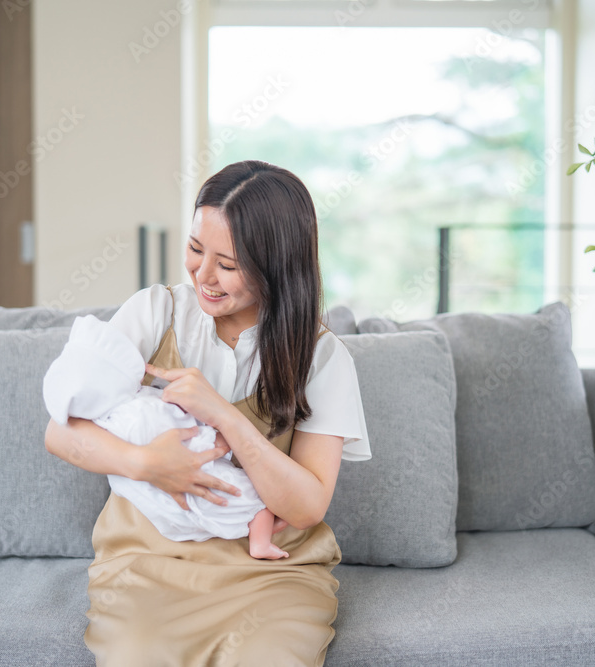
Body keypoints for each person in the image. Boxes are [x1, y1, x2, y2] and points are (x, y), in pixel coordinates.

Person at [44, 160, 371, 666]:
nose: (203, 275)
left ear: (277, 266)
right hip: (149, 561)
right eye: (196, 250)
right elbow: (60, 433)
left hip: (269, 575)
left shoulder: (322, 358)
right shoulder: (157, 313)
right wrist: (147, 465)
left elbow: (307, 507)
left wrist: (226, 417)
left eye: (229, 264)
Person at [42, 312, 291, 558]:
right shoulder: (141, 409)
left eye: (226, 267)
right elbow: (187, 436)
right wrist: (220, 436)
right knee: (257, 501)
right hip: (190, 488)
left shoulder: (105, 419)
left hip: (162, 520)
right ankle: (260, 542)